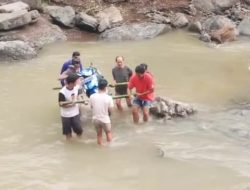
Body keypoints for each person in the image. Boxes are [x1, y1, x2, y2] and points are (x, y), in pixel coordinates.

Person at [58, 73, 83, 140]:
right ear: (71, 83)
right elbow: (61, 104)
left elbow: (80, 84)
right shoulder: (62, 92)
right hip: (66, 115)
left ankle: (78, 142)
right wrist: (72, 104)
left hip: (75, 114)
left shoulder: (76, 88)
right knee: (68, 133)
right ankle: (69, 144)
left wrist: (79, 100)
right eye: (76, 81)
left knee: (79, 131)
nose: (77, 82)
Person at [90, 79, 114, 146]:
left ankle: (100, 147)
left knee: (99, 134)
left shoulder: (92, 96)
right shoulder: (108, 98)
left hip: (95, 119)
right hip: (105, 119)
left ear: (98, 87)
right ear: (106, 87)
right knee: (108, 133)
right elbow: (111, 110)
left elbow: (91, 107)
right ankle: (109, 148)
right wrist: (109, 114)